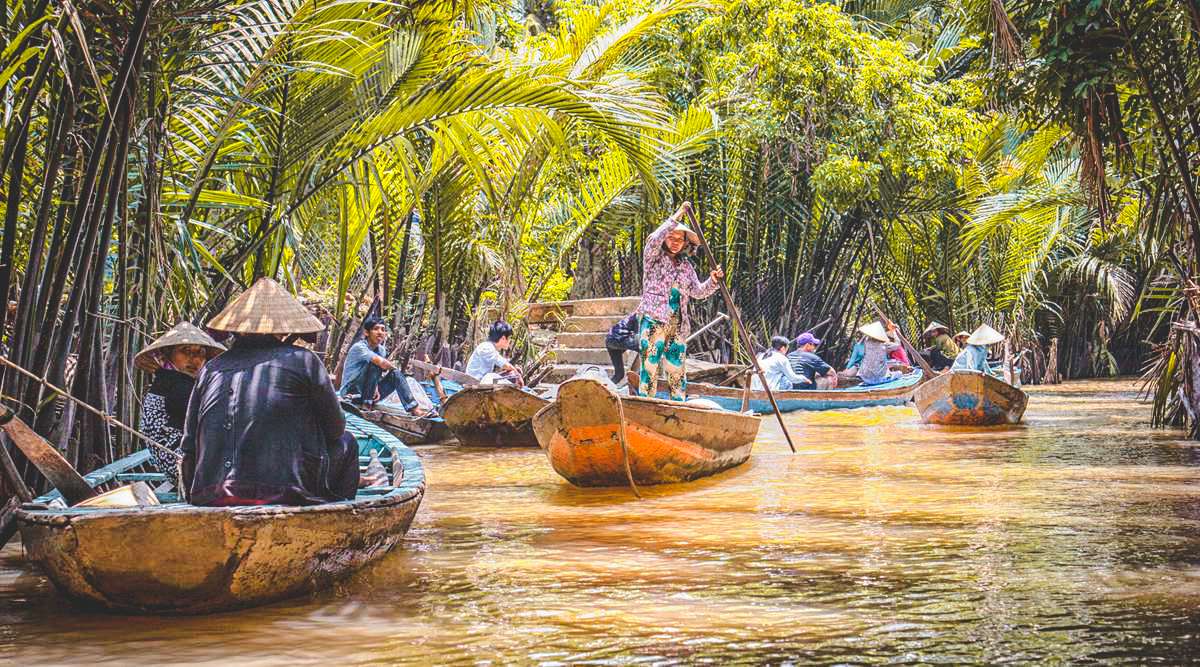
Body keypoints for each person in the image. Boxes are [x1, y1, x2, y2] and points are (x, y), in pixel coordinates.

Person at [181, 278, 359, 506]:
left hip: (209, 494)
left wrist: (192, 500)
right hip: (282, 492)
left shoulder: (211, 368)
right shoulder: (304, 360)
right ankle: (340, 520)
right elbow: (335, 429)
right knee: (347, 442)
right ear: (283, 331)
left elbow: (188, 447)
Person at [635, 201, 723, 401]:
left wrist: (714, 280)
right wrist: (679, 213)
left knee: (676, 370)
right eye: (671, 237)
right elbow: (652, 241)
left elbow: (698, 291)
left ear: (685, 243)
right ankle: (646, 403)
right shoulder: (654, 259)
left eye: (680, 239)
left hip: (677, 326)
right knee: (650, 366)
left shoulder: (686, 267)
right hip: (654, 321)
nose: (675, 242)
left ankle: (678, 404)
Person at [134, 322, 225, 474]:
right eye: (185, 351)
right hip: (184, 468)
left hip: (181, 466)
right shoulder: (174, 385)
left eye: (199, 352)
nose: (193, 359)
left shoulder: (170, 381)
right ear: (168, 354)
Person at [339, 316, 431, 416]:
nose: (380, 332)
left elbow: (376, 375)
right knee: (378, 364)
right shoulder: (360, 347)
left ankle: (414, 409)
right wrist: (393, 367)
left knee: (395, 374)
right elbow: (381, 364)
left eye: (383, 329)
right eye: (376, 329)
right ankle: (366, 404)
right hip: (351, 394)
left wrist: (376, 388)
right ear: (366, 333)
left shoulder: (381, 350)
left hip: (369, 395)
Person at [466, 320, 523, 386]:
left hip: (480, 382)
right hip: (474, 383)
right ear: (503, 338)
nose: (510, 341)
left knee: (510, 374)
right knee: (491, 377)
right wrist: (516, 373)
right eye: (509, 338)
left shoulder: (490, 347)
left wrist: (513, 372)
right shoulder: (486, 347)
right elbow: (503, 364)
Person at [849, 321, 902, 385]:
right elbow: (898, 344)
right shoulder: (884, 345)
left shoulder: (865, 342)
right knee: (899, 373)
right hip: (880, 378)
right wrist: (893, 331)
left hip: (865, 377)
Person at [605, 313, 640, 384]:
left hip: (609, 340)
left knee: (619, 374)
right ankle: (639, 376)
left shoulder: (633, 316)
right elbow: (638, 337)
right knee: (644, 347)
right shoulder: (640, 316)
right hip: (618, 339)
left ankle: (605, 388)